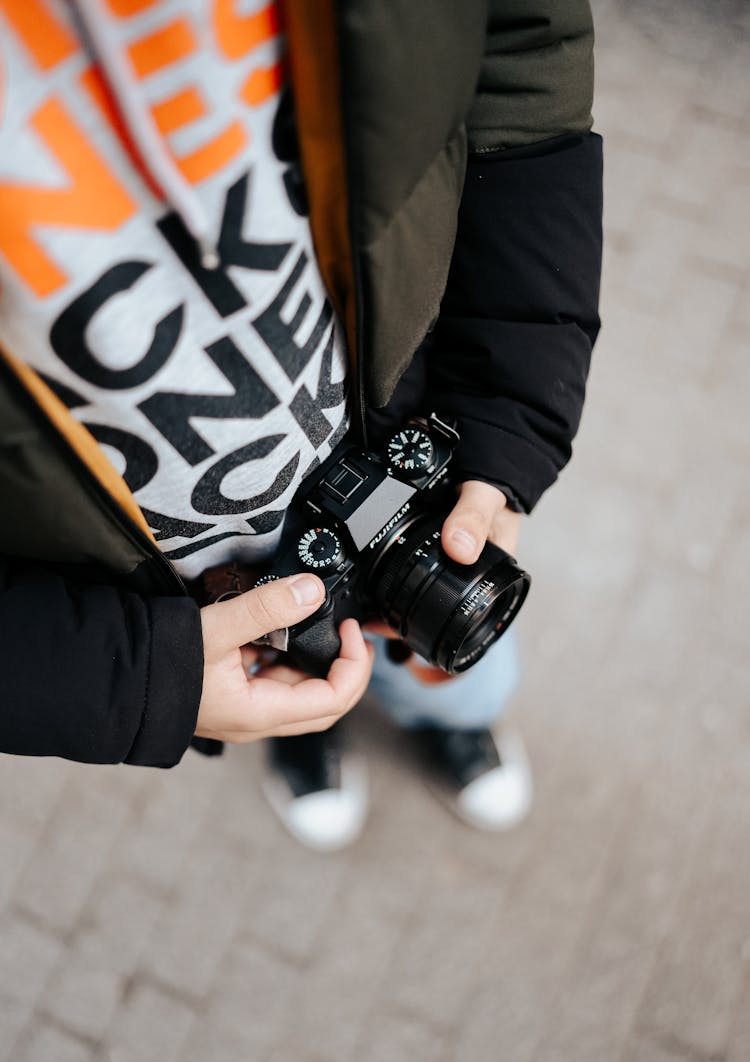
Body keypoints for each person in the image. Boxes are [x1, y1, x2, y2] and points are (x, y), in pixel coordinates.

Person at [0, 0, 602, 850]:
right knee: (297, 676)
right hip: (196, 595)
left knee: (460, 649)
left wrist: (510, 417)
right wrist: (142, 677)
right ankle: (307, 732)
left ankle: (457, 716)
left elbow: (523, 49)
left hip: (413, 455)